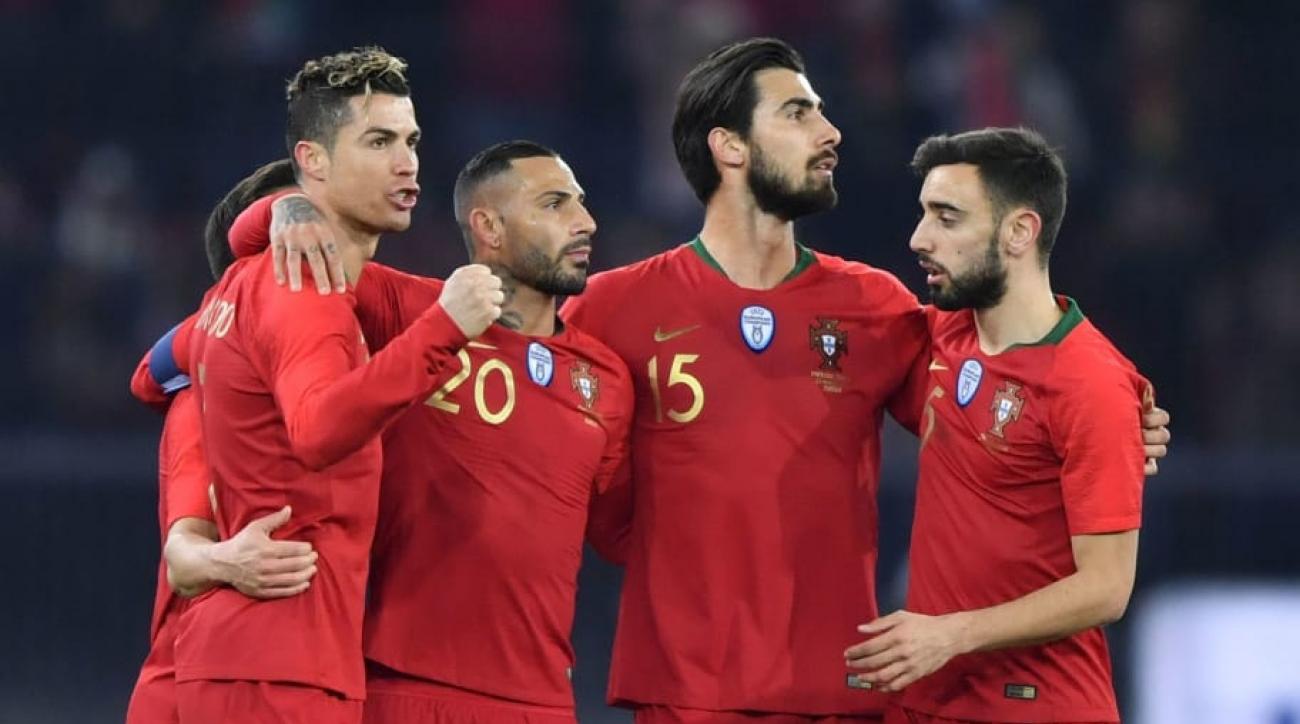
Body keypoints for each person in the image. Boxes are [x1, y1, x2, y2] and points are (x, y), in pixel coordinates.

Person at [261, 37, 1171, 724]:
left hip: (841, 694)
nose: (830, 132)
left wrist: (1122, 403)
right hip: (682, 696)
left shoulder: (879, 309)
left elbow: (1012, 368)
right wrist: (285, 207)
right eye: (799, 113)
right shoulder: (611, 308)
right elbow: (355, 299)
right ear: (729, 147)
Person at [217, 140, 634, 723]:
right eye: (554, 203)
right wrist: (285, 207)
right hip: (403, 686)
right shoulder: (410, 310)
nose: (584, 221)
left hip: (542, 700)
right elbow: (253, 259)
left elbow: (622, 535)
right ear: (489, 227)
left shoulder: (607, 377)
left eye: (581, 203)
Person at [166, 47, 502, 723]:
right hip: (280, 666)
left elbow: (155, 368)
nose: (406, 163)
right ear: (312, 160)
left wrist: (278, 208)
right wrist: (444, 330)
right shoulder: (305, 288)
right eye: (378, 142)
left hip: (256, 657)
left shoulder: (251, 278)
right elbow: (318, 428)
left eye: (411, 141)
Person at [845, 127, 1150, 724]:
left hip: (1039, 707)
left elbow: (1107, 587)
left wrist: (951, 634)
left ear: (1019, 232)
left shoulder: (1090, 383)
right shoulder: (942, 336)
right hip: (928, 702)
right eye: (924, 214)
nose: (919, 238)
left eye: (948, 218)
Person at [125, 159, 318, 724]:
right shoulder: (203, 401)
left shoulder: (315, 382)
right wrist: (226, 559)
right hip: (194, 690)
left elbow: (151, 371)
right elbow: (183, 558)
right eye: (298, 227)